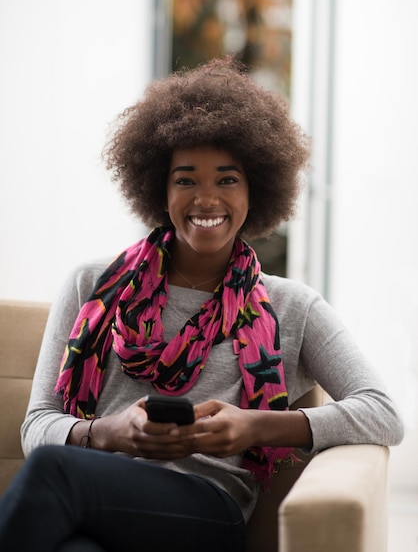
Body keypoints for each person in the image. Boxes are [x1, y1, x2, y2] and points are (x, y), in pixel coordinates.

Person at [0, 57, 403, 552]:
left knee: (50, 472)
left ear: (256, 189)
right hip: (96, 489)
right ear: (159, 188)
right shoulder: (91, 285)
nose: (206, 199)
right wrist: (108, 433)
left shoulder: (290, 305)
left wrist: (254, 426)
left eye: (227, 180)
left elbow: (382, 413)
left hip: (206, 511)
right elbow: (37, 424)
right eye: (186, 179)